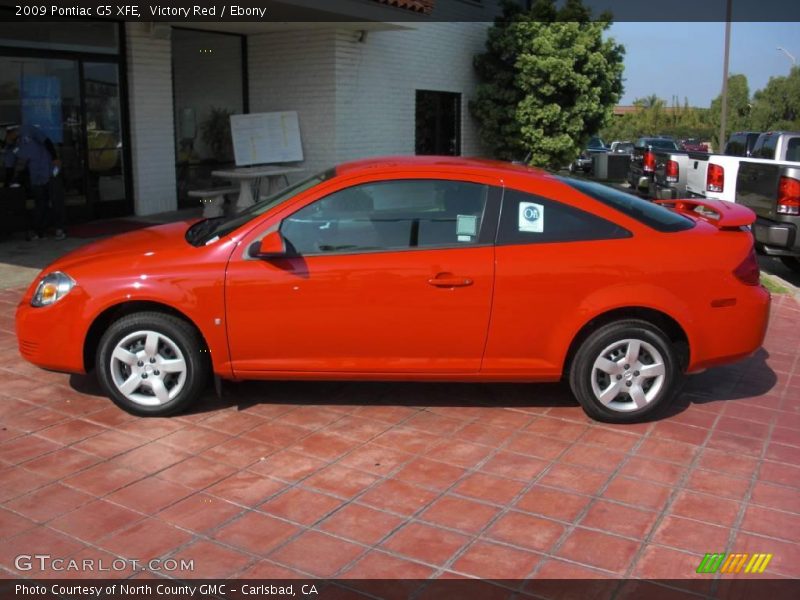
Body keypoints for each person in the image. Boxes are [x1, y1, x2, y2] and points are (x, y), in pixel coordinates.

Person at [11, 124, 66, 240]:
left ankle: (59, 229)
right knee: (40, 204)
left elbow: (46, 141)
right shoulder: (16, 146)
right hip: (36, 176)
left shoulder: (28, 130)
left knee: (55, 200)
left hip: (49, 170)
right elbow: (20, 163)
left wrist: (55, 158)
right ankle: (39, 231)